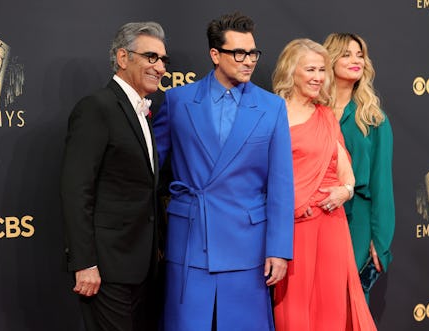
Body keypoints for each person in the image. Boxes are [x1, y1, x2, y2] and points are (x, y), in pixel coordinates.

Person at [153, 12, 294, 331]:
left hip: (248, 245)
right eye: (239, 53)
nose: (249, 61)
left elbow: (281, 185)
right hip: (190, 241)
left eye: (253, 53)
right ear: (215, 54)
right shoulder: (178, 100)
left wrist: (279, 249)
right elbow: (149, 170)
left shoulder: (272, 107)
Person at [60, 22, 168, 331]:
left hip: (143, 268)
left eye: (162, 60)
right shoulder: (96, 108)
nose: (160, 67)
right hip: (106, 270)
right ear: (123, 57)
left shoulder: (142, 112)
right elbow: (76, 189)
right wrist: (84, 263)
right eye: (151, 57)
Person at [272, 38, 376, 330]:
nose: (318, 77)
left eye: (322, 70)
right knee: (294, 310)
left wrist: (345, 191)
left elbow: (348, 174)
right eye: (310, 70)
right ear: (291, 72)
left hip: (331, 222)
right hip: (294, 228)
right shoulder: (272, 114)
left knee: (331, 309)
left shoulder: (326, 115)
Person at [323, 33, 395, 302]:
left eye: (360, 54)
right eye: (347, 54)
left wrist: (380, 239)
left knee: (348, 299)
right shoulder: (312, 110)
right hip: (315, 215)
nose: (356, 60)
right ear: (329, 60)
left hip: (358, 221)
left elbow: (382, 184)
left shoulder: (373, 118)